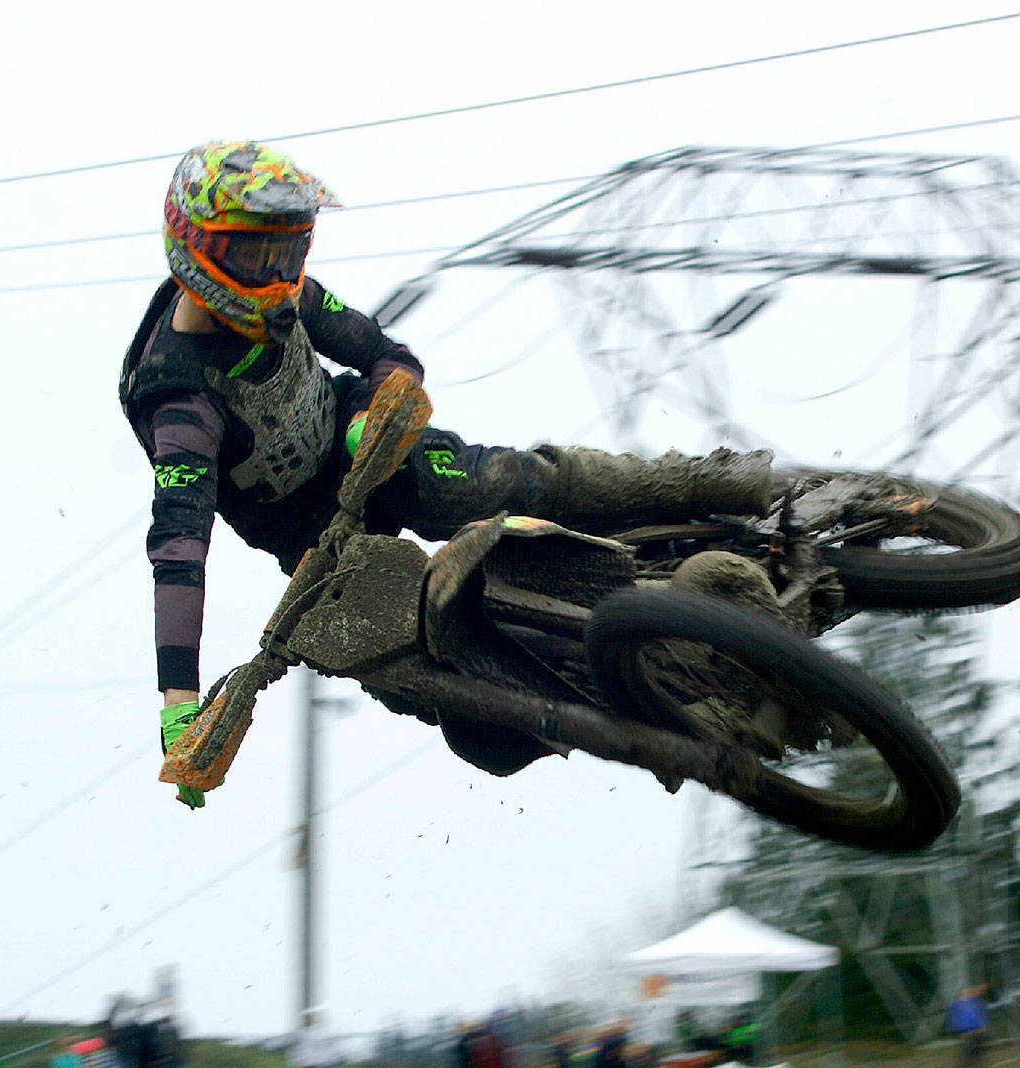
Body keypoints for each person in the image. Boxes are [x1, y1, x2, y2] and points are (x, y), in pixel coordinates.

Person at [119, 140, 776, 807]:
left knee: (503, 482)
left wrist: (379, 406)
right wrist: (181, 699)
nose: (277, 273)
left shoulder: (290, 297)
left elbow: (385, 351)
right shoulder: (180, 401)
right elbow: (179, 548)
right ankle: (660, 725)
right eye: (257, 256)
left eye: (288, 251)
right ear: (196, 246)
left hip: (371, 449)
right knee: (427, 685)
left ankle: (725, 483)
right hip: (316, 541)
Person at [948, 985, 989, 1068]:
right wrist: (961, 1031)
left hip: (976, 1032)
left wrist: (982, 1027)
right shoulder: (958, 1005)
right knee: (970, 1050)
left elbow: (980, 1015)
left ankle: (972, 1067)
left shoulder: (975, 1003)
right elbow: (956, 1019)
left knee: (977, 1050)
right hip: (967, 1033)